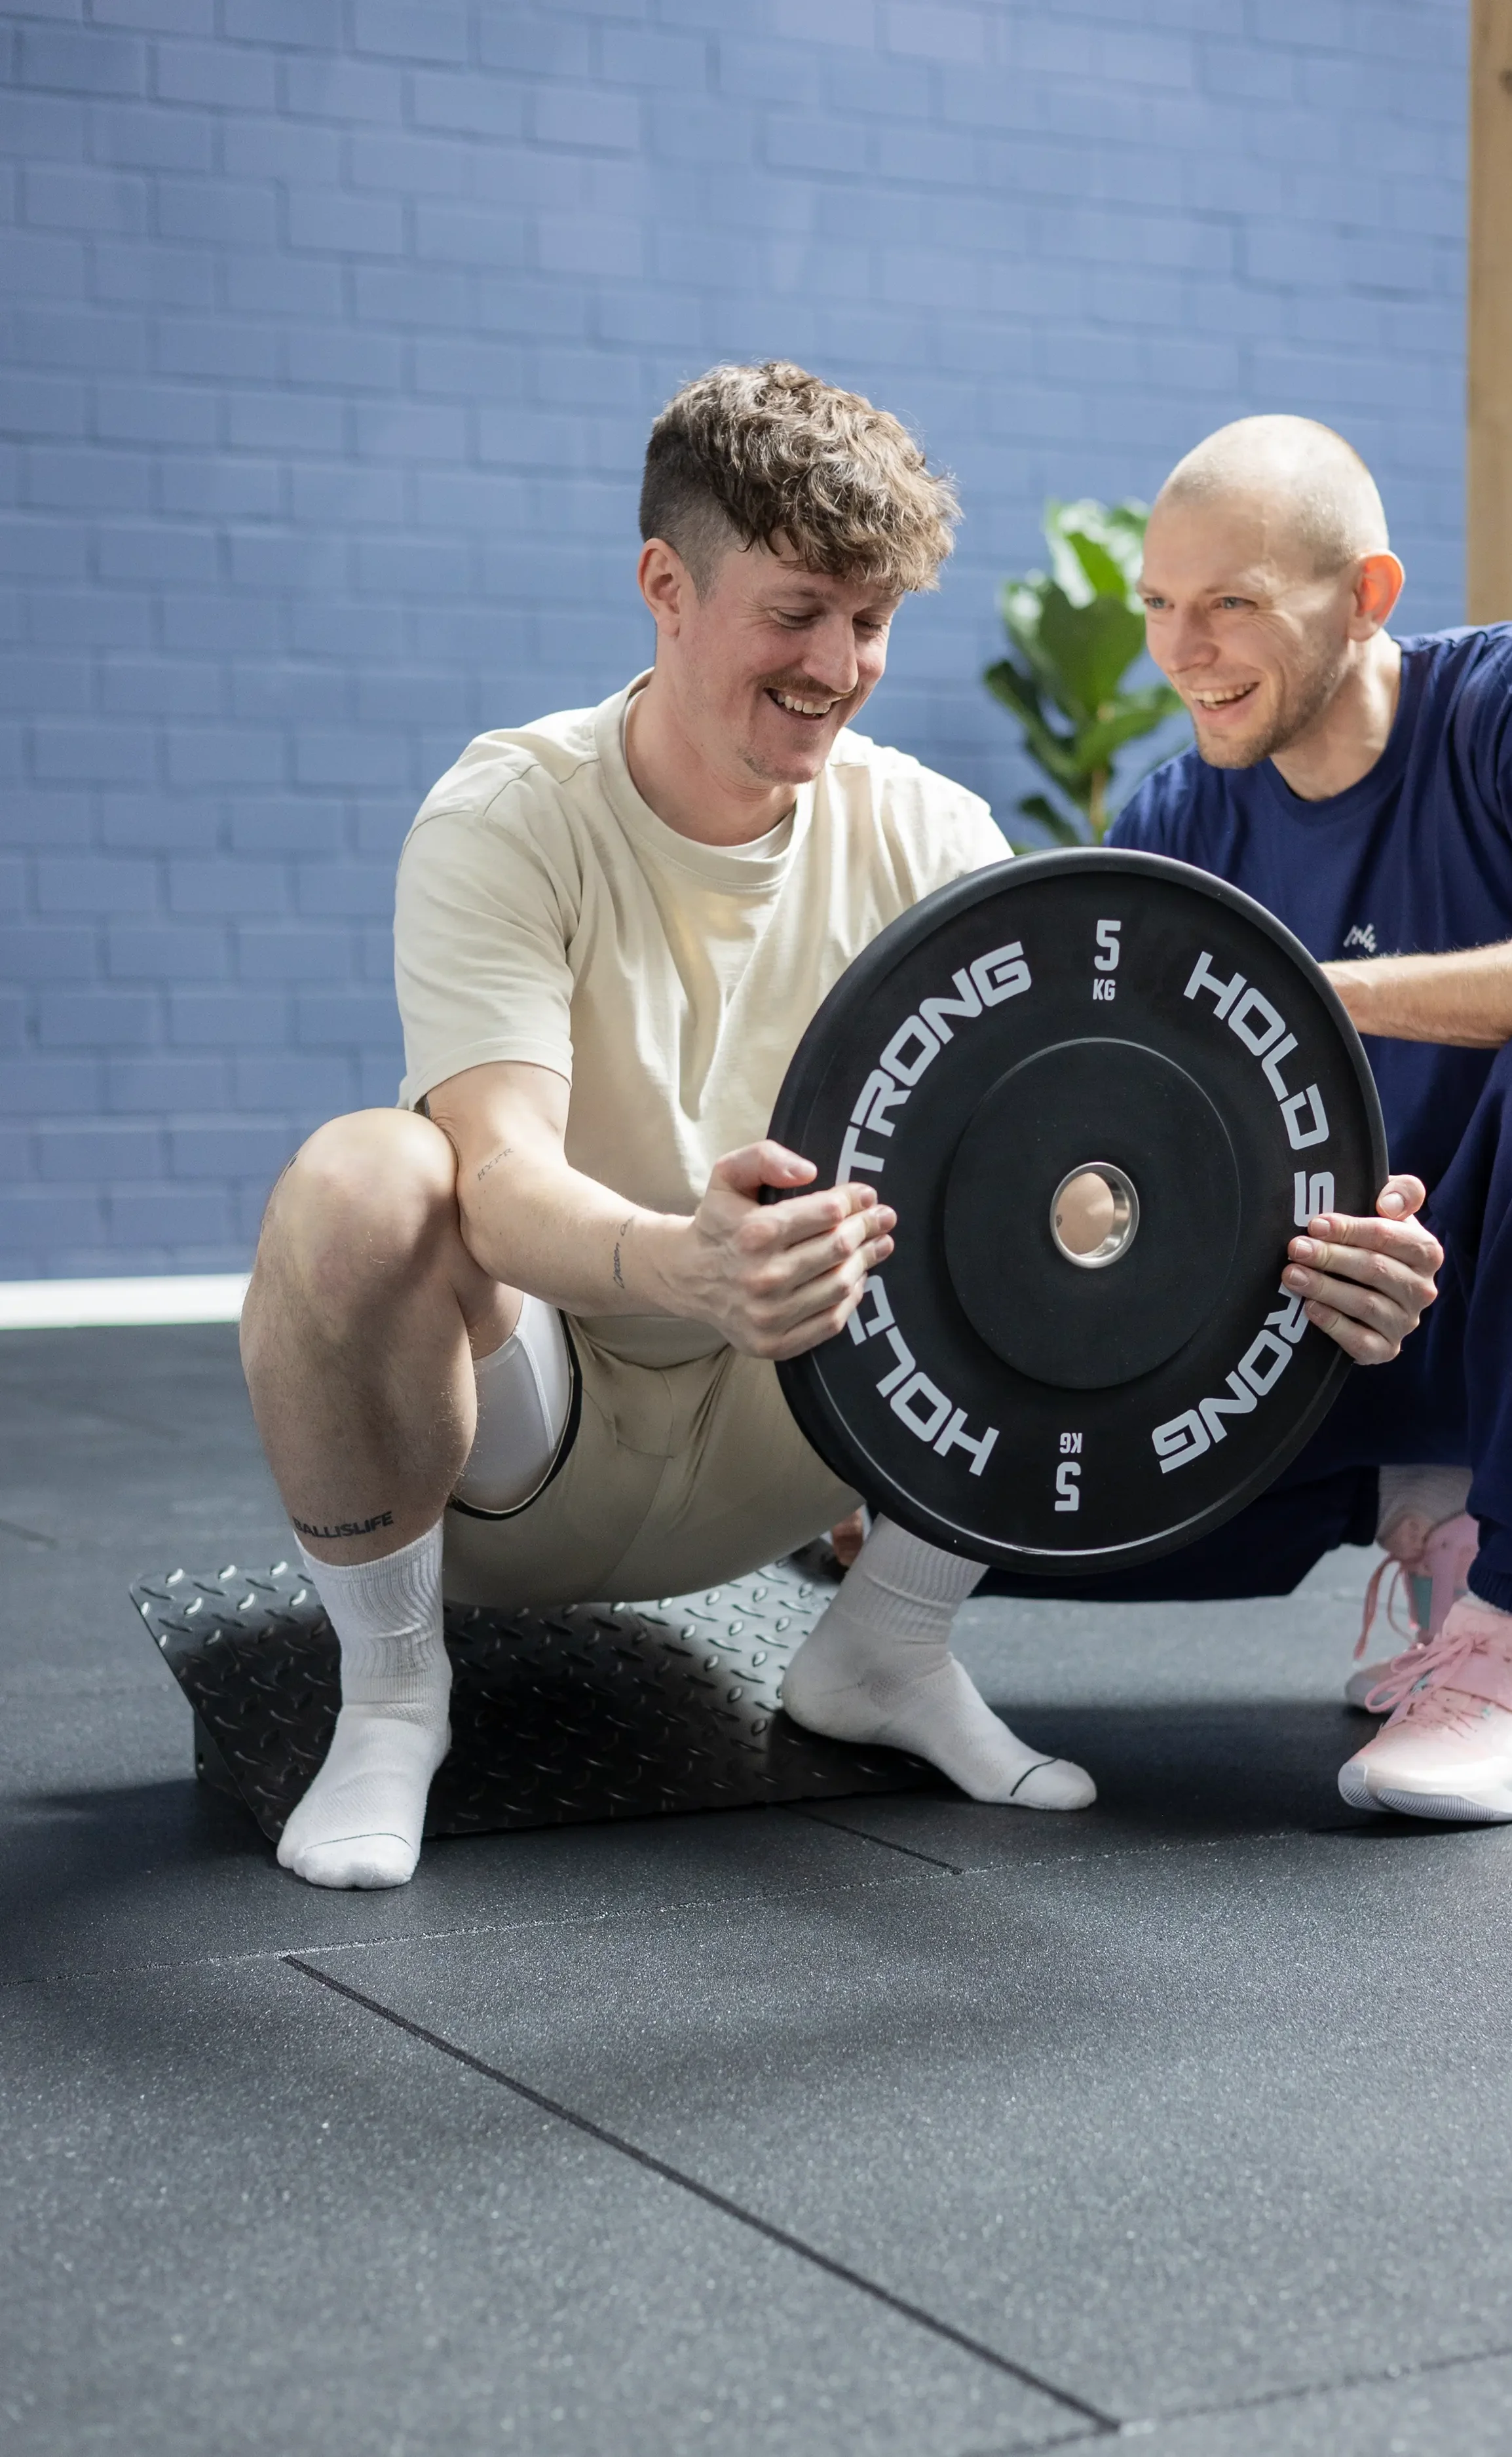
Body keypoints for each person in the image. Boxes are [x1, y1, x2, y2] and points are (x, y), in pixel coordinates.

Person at [240, 367, 1439, 1892]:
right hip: (520, 1446)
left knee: (1069, 1189)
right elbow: (497, 1180)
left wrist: (1326, 1259)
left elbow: (1093, 1188)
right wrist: (680, 1259)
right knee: (361, 1182)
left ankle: (887, 1646)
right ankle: (396, 1694)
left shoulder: (928, 833)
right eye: (796, 611)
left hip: (794, 1436)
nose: (838, 665)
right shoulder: (512, 813)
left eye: (870, 622)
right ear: (665, 587)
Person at [1090, 413, 1512, 1824]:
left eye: (1229, 605)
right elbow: (1104, 1152)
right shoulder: (1175, 822)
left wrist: (1312, 993)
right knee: (947, 1538)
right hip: (1328, 1322)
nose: (1179, 650)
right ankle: (1422, 1499)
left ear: (1365, 596)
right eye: (1158, 605)